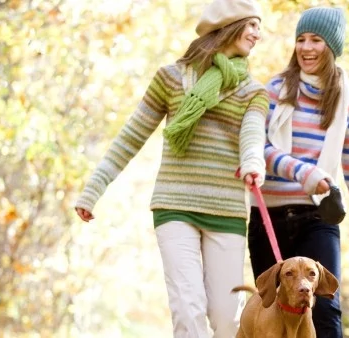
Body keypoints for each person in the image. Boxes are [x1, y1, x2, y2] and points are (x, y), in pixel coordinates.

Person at [74, 0, 268, 337]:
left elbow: (253, 135)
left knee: (227, 320)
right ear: (228, 24)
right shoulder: (171, 78)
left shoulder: (253, 91)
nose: (257, 34)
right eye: (251, 25)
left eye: (259, 27)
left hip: (226, 210)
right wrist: (93, 189)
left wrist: (253, 162)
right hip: (175, 205)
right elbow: (130, 137)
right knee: (187, 309)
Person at [247, 7, 349, 338]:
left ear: (333, 47)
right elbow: (259, 149)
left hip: (317, 218)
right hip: (268, 216)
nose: (306, 48)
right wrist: (305, 174)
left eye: (316, 40)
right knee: (273, 313)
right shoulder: (275, 90)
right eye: (301, 39)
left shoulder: (348, 98)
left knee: (325, 307)